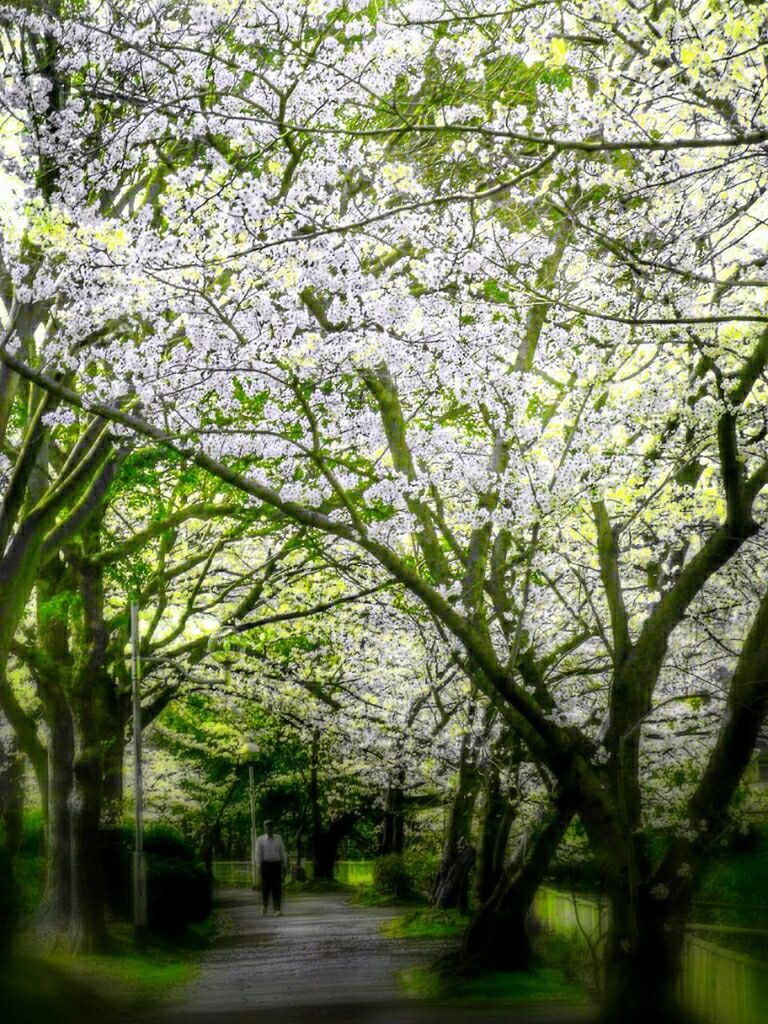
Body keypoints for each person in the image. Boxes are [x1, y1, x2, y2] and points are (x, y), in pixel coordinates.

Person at [255, 819, 288, 916]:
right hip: (266, 865)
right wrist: (259, 866)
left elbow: (282, 851)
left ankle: (277, 909)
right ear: (264, 828)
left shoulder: (278, 838)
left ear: (273, 828)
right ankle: (264, 905)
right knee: (266, 887)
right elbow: (258, 854)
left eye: (271, 826)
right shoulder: (260, 840)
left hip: (276, 865)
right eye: (267, 826)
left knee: (277, 887)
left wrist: (285, 865)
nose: (269, 828)